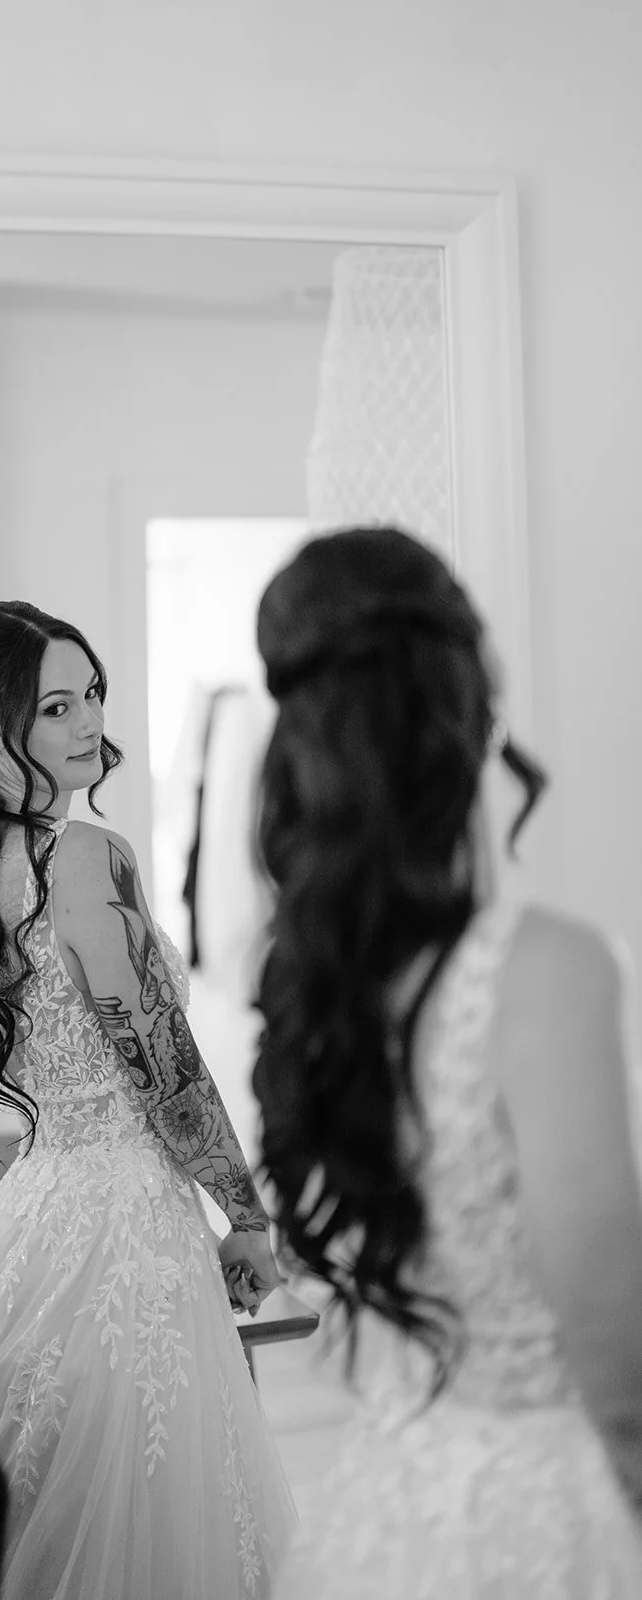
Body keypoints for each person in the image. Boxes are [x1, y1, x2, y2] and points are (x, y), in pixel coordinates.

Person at [249, 525, 642, 1597]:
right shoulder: (547, 970)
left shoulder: (309, 977)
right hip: (538, 1513)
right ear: (464, 701)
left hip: (386, 1508)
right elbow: (615, 1350)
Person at [0, 600, 297, 1600]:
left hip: (27, 1234)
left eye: (91, 695)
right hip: (120, 1239)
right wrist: (244, 1215)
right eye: (54, 705)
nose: (86, 724)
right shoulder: (84, 856)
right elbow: (163, 1065)